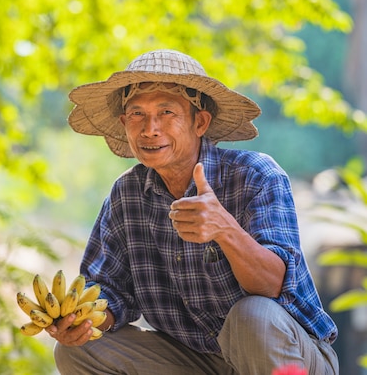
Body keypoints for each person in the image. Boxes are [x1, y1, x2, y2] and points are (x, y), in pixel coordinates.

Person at [47, 49, 339, 374]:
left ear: (199, 122)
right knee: (77, 351)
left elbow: (273, 286)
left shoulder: (256, 176)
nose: (150, 129)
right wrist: (82, 321)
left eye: (166, 112)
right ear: (123, 123)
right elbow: (110, 292)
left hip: (287, 357)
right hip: (194, 361)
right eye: (137, 115)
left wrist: (224, 229)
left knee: (252, 314)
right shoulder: (126, 195)